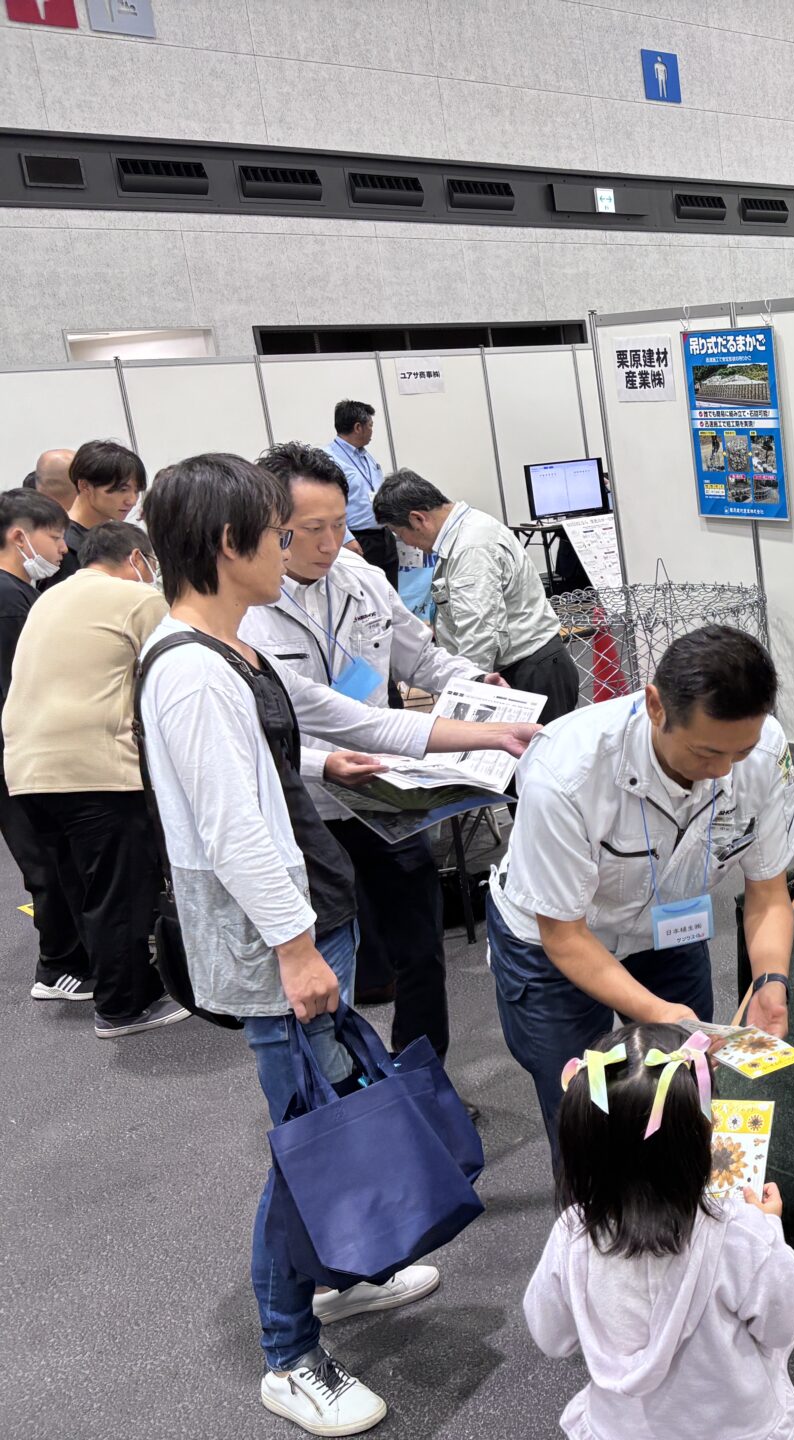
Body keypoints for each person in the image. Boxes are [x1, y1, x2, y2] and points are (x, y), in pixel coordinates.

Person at [137, 453, 540, 1438]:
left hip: (309, 915)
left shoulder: (233, 651)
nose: (302, 550)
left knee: (327, 1111)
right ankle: (290, 1354)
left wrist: (478, 738)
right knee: (307, 1140)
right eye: (279, 535)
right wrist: (295, 949)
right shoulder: (191, 672)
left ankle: (338, 1276)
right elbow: (234, 828)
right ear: (231, 545)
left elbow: (350, 715)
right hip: (276, 937)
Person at [488, 625, 794, 1157]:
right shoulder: (566, 770)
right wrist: (657, 1013)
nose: (723, 770)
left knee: (686, 1087)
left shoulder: (765, 752)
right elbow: (564, 936)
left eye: (740, 751)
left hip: (669, 924)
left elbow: (769, 893)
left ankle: (689, 1223)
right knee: (586, 1109)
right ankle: (593, 1231)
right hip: (554, 944)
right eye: (706, 753)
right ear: (656, 706)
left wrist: (771, 979)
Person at [241, 441, 505, 1043]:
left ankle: (423, 1077)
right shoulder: (245, 606)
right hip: (303, 807)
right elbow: (251, 733)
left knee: (420, 947)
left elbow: (420, 657)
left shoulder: (362, 579)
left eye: (338, 524)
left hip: (386, 793)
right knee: (325, 961)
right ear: (269, 526)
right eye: (310, 529)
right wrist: (321, 763)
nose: (330, 543)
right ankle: (346, 1103)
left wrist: (472, 681)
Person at [523, 1019, 794, 1439]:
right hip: (737, 1427)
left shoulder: (572, 1233)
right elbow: (782, 1324)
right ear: (700, 1140)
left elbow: (551, 1336)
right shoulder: (742, 1234)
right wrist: (771, 1227)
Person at [6, 520, 184, 1036]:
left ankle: (108, 982)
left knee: (82, 883)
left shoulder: (49, 597)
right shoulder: (136, 598)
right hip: (93, 767)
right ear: (137, 558)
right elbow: (171, 675)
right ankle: (125, 1004)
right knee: (121, 886)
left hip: (27, 770)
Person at [373, 468, 580, 721]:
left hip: (530, 674)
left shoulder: (470, 547)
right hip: (526, 668)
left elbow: (479, 634)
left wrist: (465, 702)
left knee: (540, 757)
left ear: (418, 519)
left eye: (399, 534)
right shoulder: (467, 530)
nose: (406, 544)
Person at [0, 488, 91, 1002]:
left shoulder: (18, 594)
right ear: (20, 536)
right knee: (47, 866)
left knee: (57, 861)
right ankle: (59, 968)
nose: (61, 550)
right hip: (19, 759)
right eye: (55, 538)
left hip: (24, 754)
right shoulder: (10, 603)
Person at [44, 439, 145, 589]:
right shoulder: (63, 545)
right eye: (122, 489)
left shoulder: (117, 536)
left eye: (136, 491)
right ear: (84, 486)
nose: (132, 500)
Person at [326, 401, 394, 587]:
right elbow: (328, 506)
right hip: (358, 539)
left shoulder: (366, 455)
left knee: (390, 593)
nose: (372, 431)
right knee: (368, 596)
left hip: (383, 535)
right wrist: (347, 538)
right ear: (358, 427)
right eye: (370, 425)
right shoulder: (329, 458)